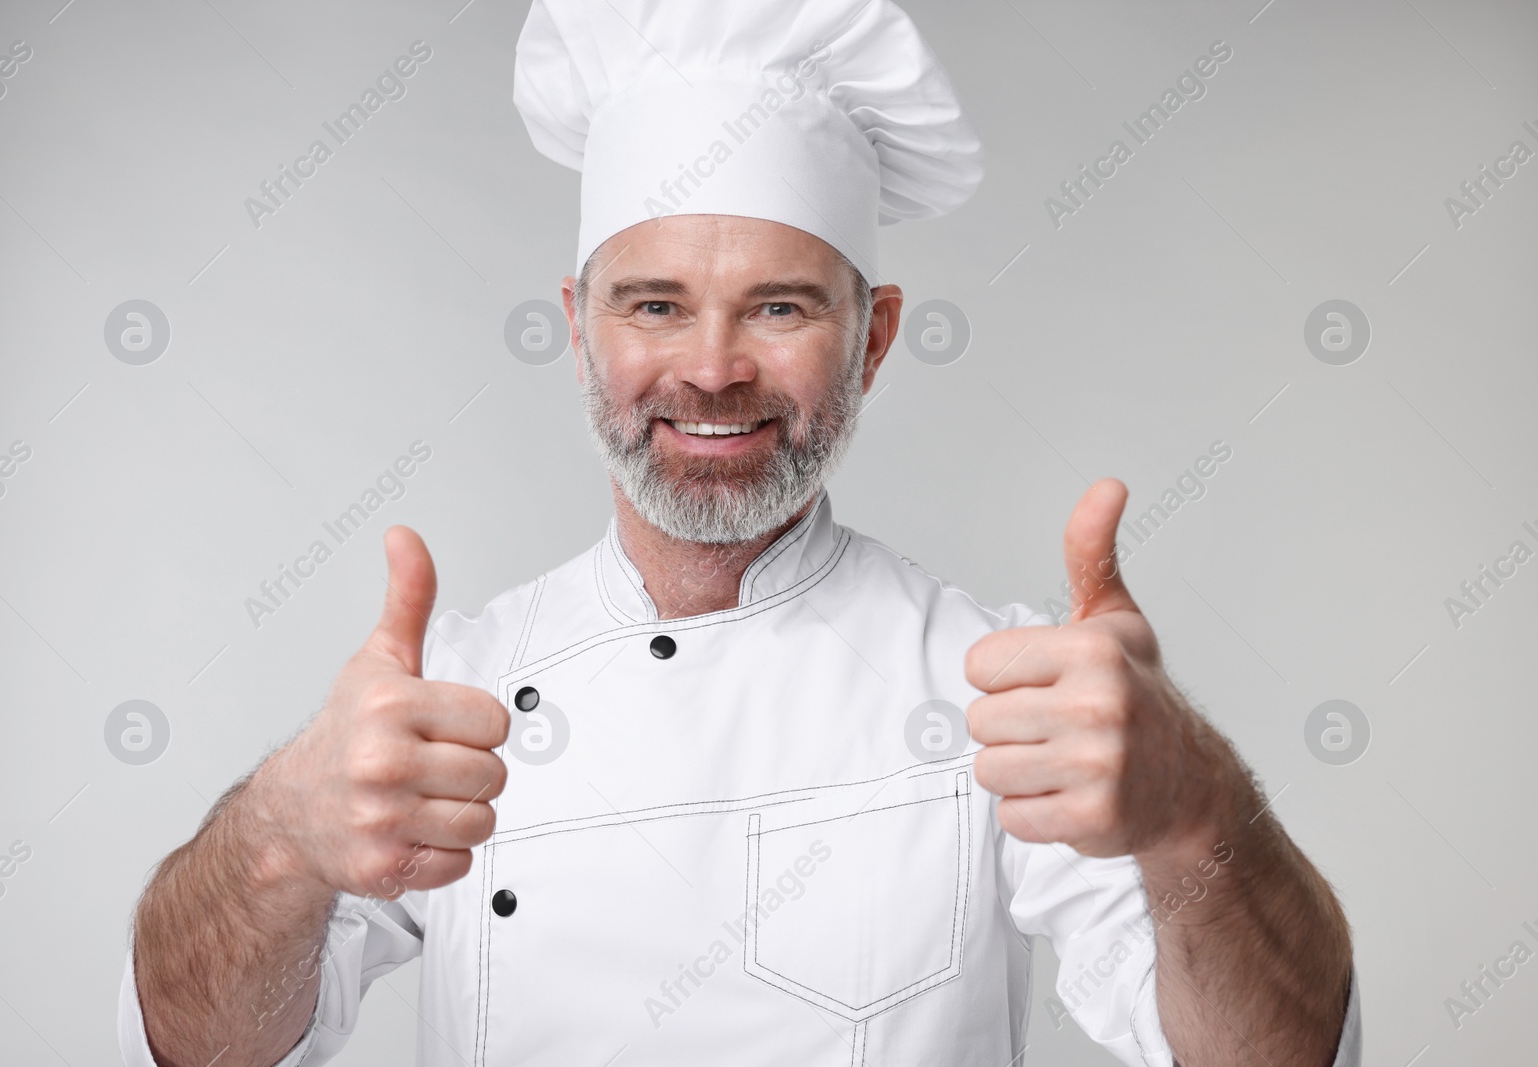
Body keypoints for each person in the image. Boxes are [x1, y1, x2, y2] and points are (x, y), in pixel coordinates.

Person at [119, 1, 1360, 1064]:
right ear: (579, 326)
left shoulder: (1003, 687)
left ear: (872, 338)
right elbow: (198, 1046)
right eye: (655, 304)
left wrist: (1196, 806)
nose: (711, 370)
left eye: (776, 305)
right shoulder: (450, 692)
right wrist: (278, 831)